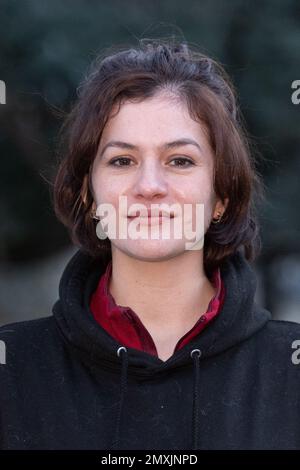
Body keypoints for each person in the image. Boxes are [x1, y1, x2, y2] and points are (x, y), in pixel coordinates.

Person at [0, 38, 300, 451]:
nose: (150, 187)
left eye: (180, 160)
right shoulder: (11, 369)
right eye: (122, 161)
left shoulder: (290, 370)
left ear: (222, 196)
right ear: (89, 195)